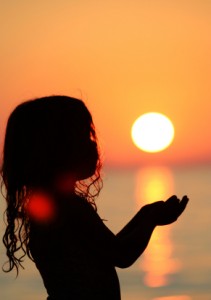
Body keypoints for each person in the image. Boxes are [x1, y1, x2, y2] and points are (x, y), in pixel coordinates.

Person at [1, 95, 189, 300]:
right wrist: (151, 220)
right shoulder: (70, 208)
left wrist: (144, 215)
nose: (93, 144)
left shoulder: (55, 205)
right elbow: (121, 254)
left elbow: (107, 247)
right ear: (57, 151)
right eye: (83, 136)